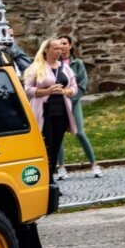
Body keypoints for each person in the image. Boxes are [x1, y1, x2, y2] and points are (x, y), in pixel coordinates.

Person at [24, 38, 78, 184]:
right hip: (44, 112)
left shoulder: (65, 68)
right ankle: (46, 179)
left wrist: (65, 91)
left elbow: (74, 87)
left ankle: (51, 177)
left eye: (60, 48)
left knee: (56, 145)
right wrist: (47, 91)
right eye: (55, 48)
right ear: (46, 50)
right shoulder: (36, 67)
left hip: (61, 111)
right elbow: (28, 89)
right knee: (47, 145)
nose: (59, 51)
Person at [55, 35, 103, 179]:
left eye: (64, 43)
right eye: (59, 44)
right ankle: (61, 167)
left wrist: (72, 98)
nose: (62, 46)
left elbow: (82, 85)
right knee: (59, 136)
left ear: (70, 45)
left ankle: (94, 164)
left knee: (80, 133)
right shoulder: (54, 64)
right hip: (59, 103)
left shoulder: (77, 63)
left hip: (73, 102)